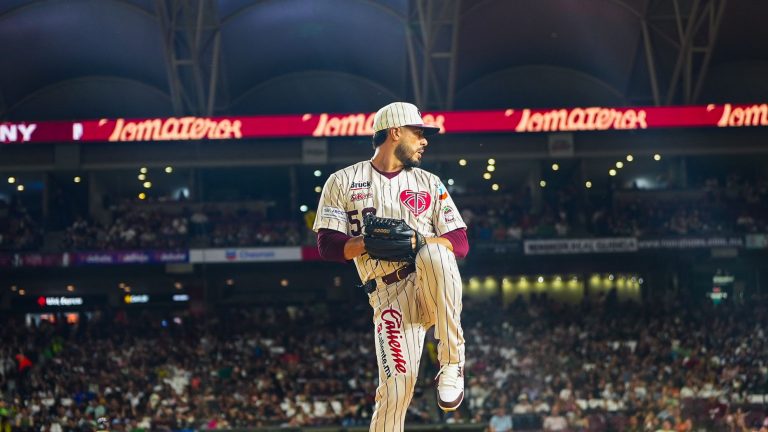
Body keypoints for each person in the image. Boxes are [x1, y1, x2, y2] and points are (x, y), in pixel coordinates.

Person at [314, 102, 469, 432]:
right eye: (419, 133)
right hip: (388, 296)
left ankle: (453, 361)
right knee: (396, 389)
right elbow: (327, 247)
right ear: (395, 132)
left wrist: (416, 242)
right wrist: (367, 244)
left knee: (433, 253)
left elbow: (460, 242)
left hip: (432, 283)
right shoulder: (342, 181)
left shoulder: (429, 181)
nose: (424, 140)